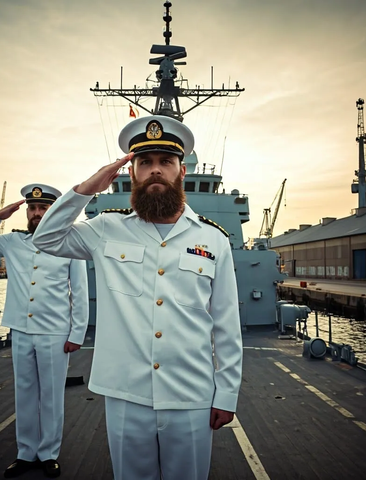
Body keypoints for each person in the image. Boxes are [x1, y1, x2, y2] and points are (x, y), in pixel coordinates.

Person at [33, 116, 243, 480]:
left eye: (166, 162)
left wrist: (226, 394)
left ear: (181, 171)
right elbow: (44, 239)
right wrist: (87, 187)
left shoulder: (214, 241)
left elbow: (226, 325)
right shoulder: (105, 229)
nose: (155, 170)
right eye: (144, 162)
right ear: (131, 172)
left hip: (190, 395)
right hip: (125, 394)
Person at [0, 184, 89, 479]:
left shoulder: (67, 243)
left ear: (54, 211)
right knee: (25, 393)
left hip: (55, 331)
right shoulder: (12, 242)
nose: (36, 213)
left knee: (52, 395)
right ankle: (25, 453)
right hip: (20, 329)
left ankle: (48, 454)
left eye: (43, 208)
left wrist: (77, 334)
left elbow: (80, 293)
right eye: (33, 208)